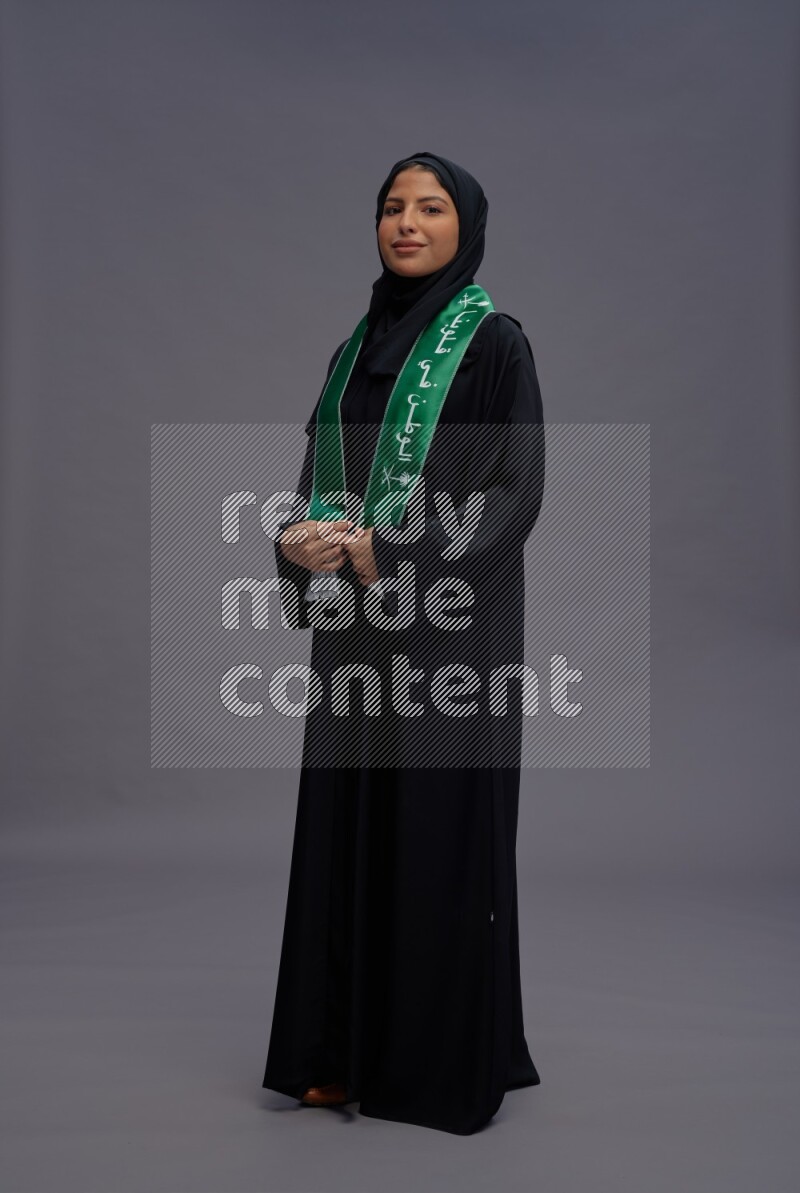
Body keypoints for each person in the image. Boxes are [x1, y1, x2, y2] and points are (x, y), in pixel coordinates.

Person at [261, 151, 546, 1135]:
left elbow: (507, 498)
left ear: (465, 224)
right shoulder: (353, 351)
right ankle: (337, 1052)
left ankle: (430, 1067)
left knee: (433, 837)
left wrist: (391, 552)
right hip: (353, 643)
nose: (407, 222)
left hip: (449, 641)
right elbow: (315, 477)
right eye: (391, 206)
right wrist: (301, 542)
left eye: (430, 207)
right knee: (346, 829)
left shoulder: (492, 344)